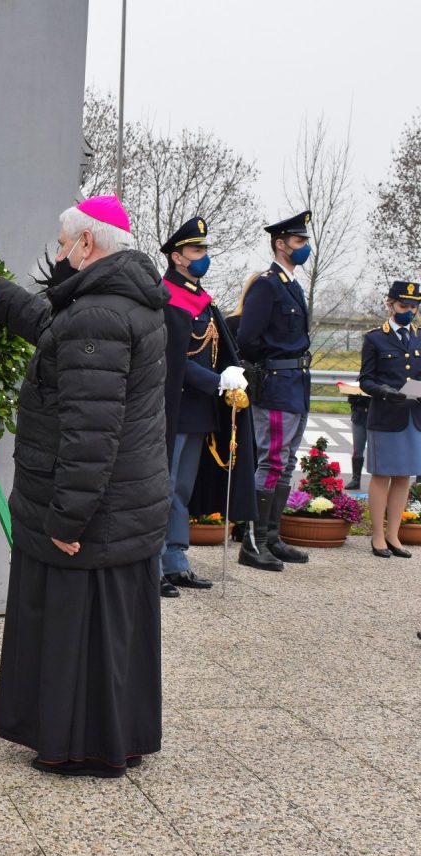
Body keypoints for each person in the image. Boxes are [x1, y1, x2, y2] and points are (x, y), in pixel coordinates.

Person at [0, 194, 168, 779]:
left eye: (62, 242)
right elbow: (56, 329)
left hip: (93, 513)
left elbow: (90, 433)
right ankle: (114, 736)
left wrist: (67, 518)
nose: (57, 253)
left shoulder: (96, 316)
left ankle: (78, 745)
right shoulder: (123, 301)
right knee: (111, 635)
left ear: (87, 243)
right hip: (125, 506)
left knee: (77, 629)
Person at [158, 216, 280, 600]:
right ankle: (152, 564)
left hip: (199, 410)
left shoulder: (202, 299)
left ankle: (175, 560)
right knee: (162, 487)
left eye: (205, 249)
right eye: (196, 250)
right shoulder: (165, 297)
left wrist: (232, 372)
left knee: (181, 488)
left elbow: (216, 349)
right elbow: (174, 359)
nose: (203, 256)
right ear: (177, 256)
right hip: (172, 407)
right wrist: (217, 381)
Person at [235, 210, 315, 566]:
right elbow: (247, 338)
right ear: (281, 244)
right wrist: (267, 369)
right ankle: (252, 543)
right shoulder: (267, 284)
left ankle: (271, 536)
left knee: (286, 462)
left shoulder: (291, 285)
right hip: (276, 385)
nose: (304, 247)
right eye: (299, 241)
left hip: (296, 385)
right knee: (271, 461)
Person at [358, 280, 421, 557]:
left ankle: (394, 535)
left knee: (403, 476)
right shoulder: (375, 338)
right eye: (403, 306)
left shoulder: (419, 337)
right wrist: (383, 391)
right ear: (390, 304)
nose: (409, 311)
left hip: (413, 416)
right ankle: (377, 536)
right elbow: (366, 379)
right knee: (382, 475)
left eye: (413, 307)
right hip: (386, 416)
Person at [347, 390, 369, 490]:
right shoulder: (359, 381)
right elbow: (351, 399)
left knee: (378, 452)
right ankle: (356, 479)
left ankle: (381, 480)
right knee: (357, 449)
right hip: (359, 415)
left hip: (376, 416)